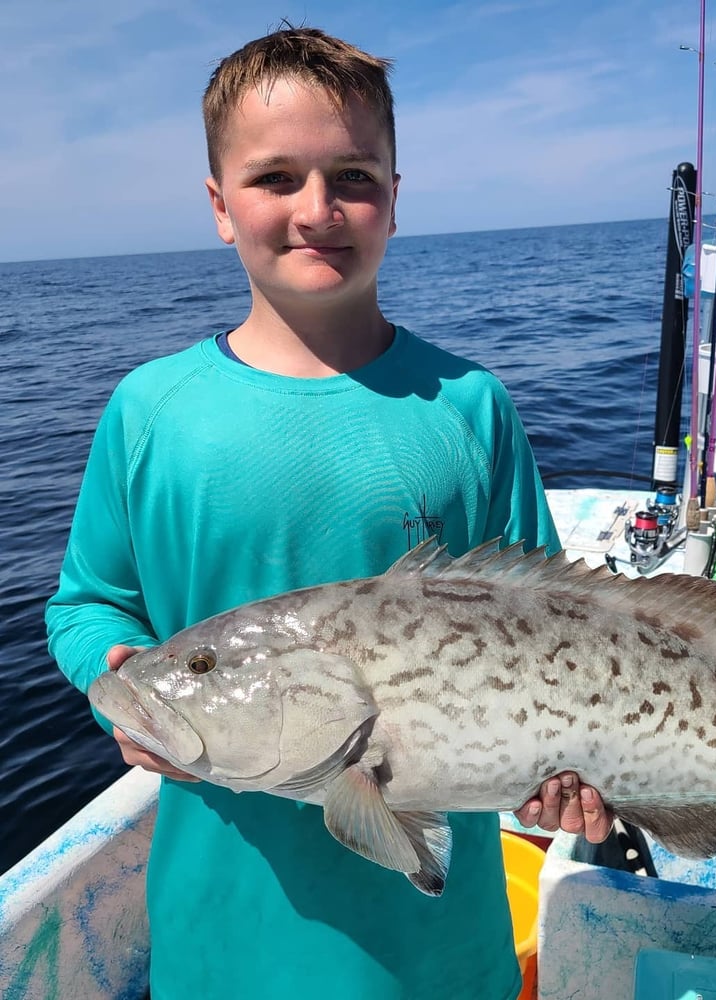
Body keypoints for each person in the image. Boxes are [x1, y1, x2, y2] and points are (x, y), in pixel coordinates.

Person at [46, 25, 611, 1000]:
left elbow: (553, 629)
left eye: (352, 175)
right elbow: (86, 601)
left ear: (394, 199)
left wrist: (573, 768)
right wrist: (120, 674)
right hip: (220, 945)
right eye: (275, 179)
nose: (318, 208)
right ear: (221, 207)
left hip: (440, 951)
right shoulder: (149, 410)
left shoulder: (471, 406)